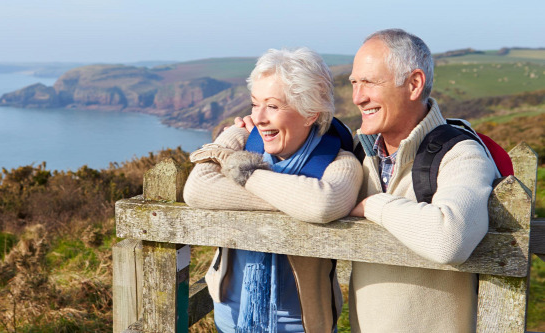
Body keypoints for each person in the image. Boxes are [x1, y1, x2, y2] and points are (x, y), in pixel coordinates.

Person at [183, 47, 362, 332]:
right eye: (255, 104)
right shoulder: (245, 146)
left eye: (274, 106)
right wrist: (235, 134)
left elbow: (322, 204)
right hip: (230, 319)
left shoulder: (339, 164)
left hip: (299, 327)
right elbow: (196, 190)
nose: (260, 117)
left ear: (310, 113)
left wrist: (243, 173)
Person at [347, 29, 499, 332]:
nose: (357, 97)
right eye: (354, 82)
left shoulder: (460, 154)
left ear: (414, 84)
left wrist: (373, 205)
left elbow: (449, 240)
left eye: (369, 82)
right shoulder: (359, 152)